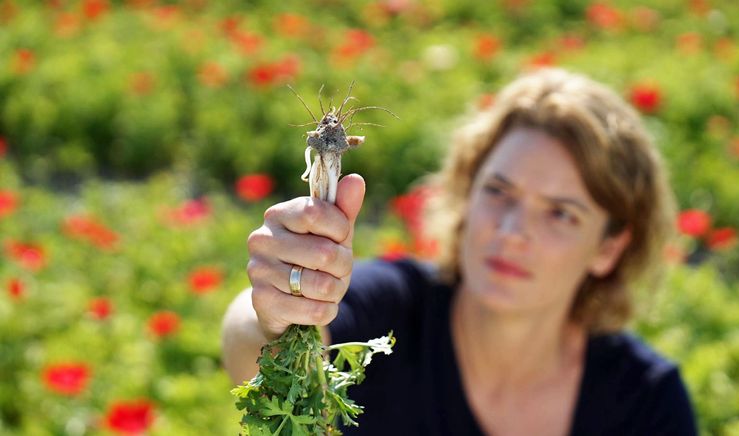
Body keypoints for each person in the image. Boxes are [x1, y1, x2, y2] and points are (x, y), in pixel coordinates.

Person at [221, 68, 698, 435]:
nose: (512, 231)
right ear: (467, 193)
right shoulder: (393, 310)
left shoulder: (645, 404)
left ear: (609, 248)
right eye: (499, 192)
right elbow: (250, 345)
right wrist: (275, 310)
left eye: (560, 213)